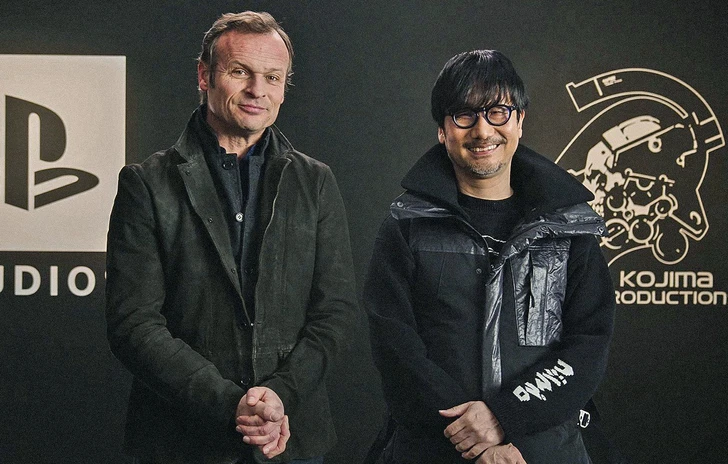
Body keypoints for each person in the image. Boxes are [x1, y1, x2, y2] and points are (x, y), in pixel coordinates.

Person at [105, 11, 357, 464]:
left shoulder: (316, 182)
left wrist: (280, 397)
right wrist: (230, 405)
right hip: (181, 443)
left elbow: (334, 313)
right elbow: (134, 323)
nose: (258, 90)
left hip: (292, 442)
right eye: (240, 72)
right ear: (204, 76)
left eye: (272, 77)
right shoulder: (147, 184)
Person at [364, 50, 615, 464]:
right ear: (443, 130)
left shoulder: (569, 227)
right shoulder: (406, 225)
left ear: (520, 120)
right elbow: (396, 348)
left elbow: (588, 346)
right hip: (432, 450)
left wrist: (505, 416)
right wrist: (475, 439)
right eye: (464, 115)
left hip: (543, 451)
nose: (483, 131)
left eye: (498, 111)